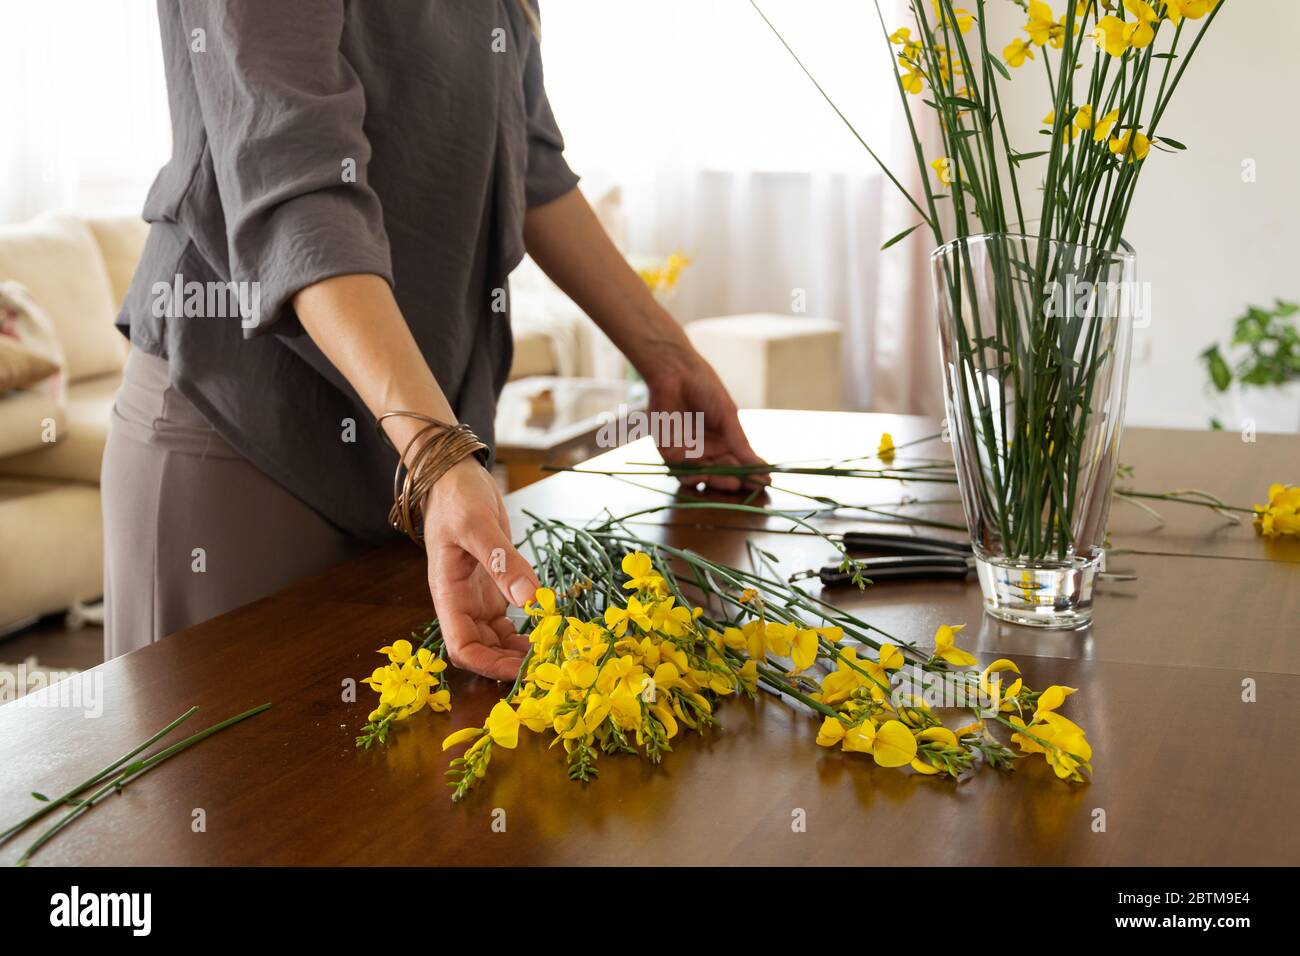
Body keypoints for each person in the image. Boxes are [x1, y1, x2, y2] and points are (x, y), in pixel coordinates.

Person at [103, 0, 767, 680]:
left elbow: (527, 159)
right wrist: (439, 455)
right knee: (228, 781)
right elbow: (297, 189)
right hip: (248, 430)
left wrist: (670, 359)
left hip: (417, 452)